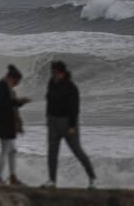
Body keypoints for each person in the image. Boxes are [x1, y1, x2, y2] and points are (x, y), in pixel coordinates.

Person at [43, 60, 96, 189]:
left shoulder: (71, 87)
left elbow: (74, 108)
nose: (53, 75)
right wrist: (48, 118)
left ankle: (92, 178)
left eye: (55, 73)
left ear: (61, 73)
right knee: (52, 152)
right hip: (53, 122)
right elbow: (49, 100)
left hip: (67, 123)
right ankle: (52, 180)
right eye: (52, 72)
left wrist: (71, 126)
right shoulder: (51, 83)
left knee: (77, 150)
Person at [0, 64, 31, 185]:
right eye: (16, 81)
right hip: (3, 124)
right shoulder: (2, 87)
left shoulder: (4, 87)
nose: (16, 84)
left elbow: (8, 104)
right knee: (5, 151)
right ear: (11, 77)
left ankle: (12, 177)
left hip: (5, 123)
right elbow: (4, 104)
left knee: (11, 151)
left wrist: (18, 103)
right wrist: (17, 101)